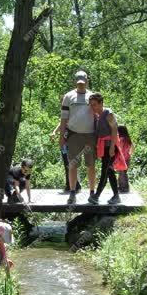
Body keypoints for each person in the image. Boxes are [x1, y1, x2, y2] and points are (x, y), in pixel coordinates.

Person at [60, 71, 96, 204]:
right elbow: (63, 118)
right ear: (75, 81)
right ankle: (72, 192)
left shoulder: (93, 96)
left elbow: (98, 113)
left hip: (90, 135)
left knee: (91, 164)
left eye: (83, 82)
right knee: (73, 164)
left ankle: (92, 193)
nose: (81, 84)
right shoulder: (68, 97)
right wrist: (61, 137)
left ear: (87, 81)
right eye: (78, 82)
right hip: (73, 135)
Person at [87, 93, 122, 205]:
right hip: (104, 147)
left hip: (110, 146)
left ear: (101, 103)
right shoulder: (97, 116)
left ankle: (96, 196)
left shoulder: (108, 113)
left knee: (105, 171)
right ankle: (116, 196)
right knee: (109, 171)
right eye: (91, 105)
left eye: (95, 105)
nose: (93, 107)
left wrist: (112, 147)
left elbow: (114, 129)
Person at [51, 122, 81, 192]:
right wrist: (54, 132)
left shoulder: (76, 118)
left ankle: (76, 185)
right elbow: (60, 124)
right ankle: (68, 185)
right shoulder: (65, 118)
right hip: (64, 145)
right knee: (67, 165)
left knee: (73, 165)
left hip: (73, 144)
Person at [117, 125, 134, 193]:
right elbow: (133, 147)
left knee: (122, 173)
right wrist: (130, 154)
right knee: (123, 173)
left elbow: (119, 149)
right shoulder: (128, 139)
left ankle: (124, 188)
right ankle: (122, 187)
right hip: (127, 158)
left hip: (121, 159)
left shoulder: (120, 139)